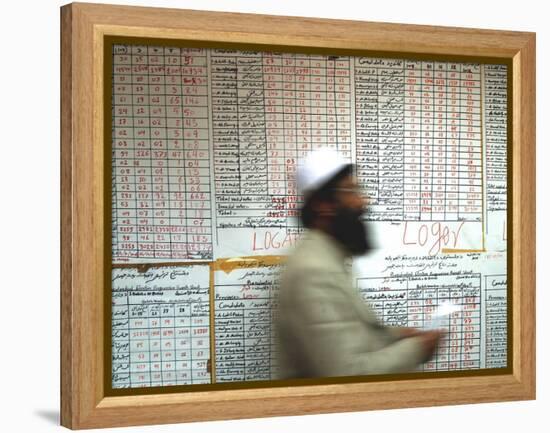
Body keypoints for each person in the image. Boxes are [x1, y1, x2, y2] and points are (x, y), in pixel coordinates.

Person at [276, 149, 445, 379]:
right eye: (351, 191)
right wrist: (418, 349)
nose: (363, 201)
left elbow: (347, 331)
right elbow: (345, 373)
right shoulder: (313, 271)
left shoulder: (329, 257)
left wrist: (395, 336)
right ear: (323, 205)